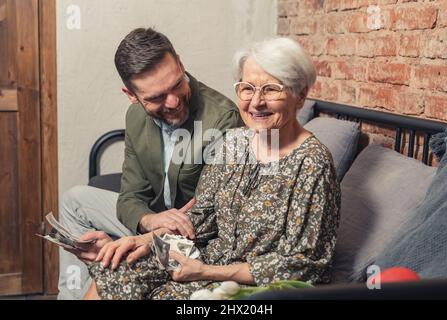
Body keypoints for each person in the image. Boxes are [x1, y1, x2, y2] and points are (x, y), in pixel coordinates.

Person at [84, 37, 341, 300]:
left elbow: (305, 265)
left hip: (252, 288)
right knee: (115, 271)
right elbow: (200, 217)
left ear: (300, 95)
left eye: (271, 89)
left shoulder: (312, 163)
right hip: (201, 263)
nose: (256, 102)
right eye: (247, 88)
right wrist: (142, 241)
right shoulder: (234, 142)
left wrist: (207, 271)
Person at [57, 28, 243, 300]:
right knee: (74, 200)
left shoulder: (223, 120)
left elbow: (211, 215)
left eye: (177, 84)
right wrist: (147, 220)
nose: (174, 101)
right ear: (131, 95)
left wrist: (141, 241)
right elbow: (131, 196)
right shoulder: (135, 116)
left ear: (180, 63)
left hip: (192, 235)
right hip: (156, 221)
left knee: (114, 269)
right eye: (156, 97)